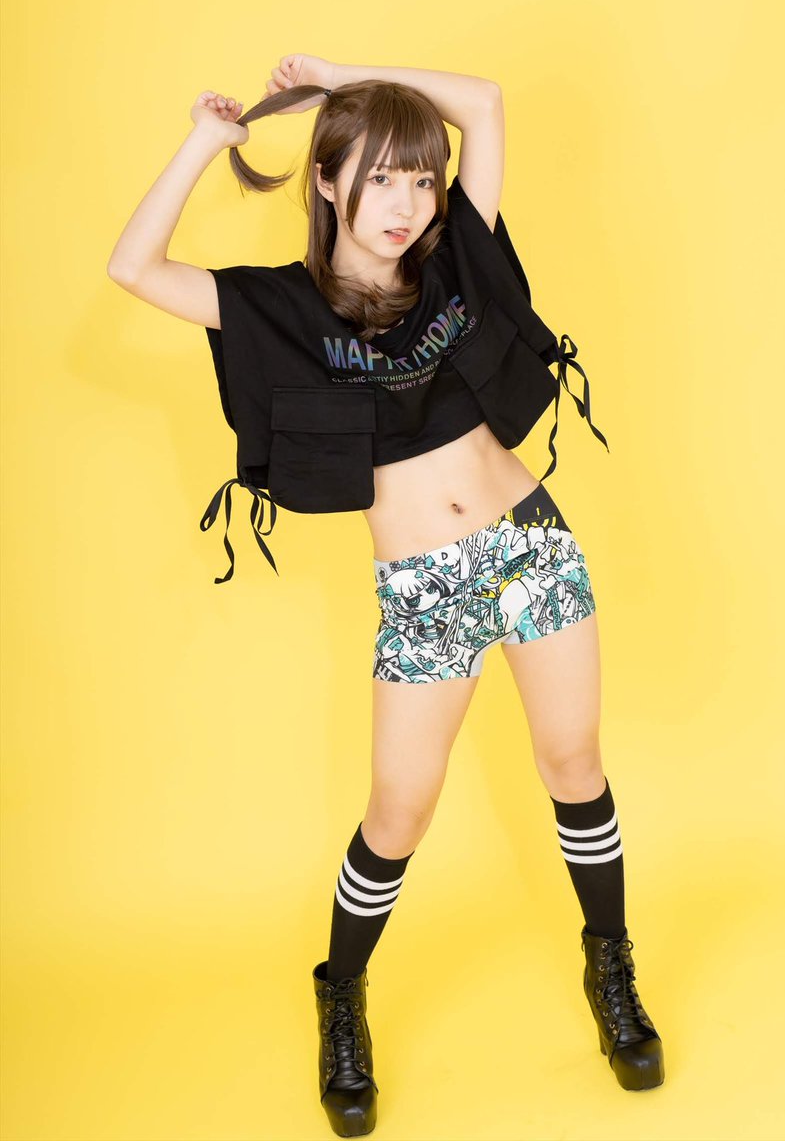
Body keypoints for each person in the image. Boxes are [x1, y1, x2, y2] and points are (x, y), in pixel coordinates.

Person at [107, 55, 664, 1139]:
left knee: (574, 766)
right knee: (398, 813)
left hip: (530, 546)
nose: (407, 203)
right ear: (326, 182)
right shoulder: (273, 306)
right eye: (379, 178)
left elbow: (486, 103)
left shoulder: (455, 258)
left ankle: (611, 968)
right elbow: (134, 267)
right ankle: (342, 998)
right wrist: (208, 140)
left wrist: (341, 78)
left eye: (420, 177)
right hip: (423, 590)